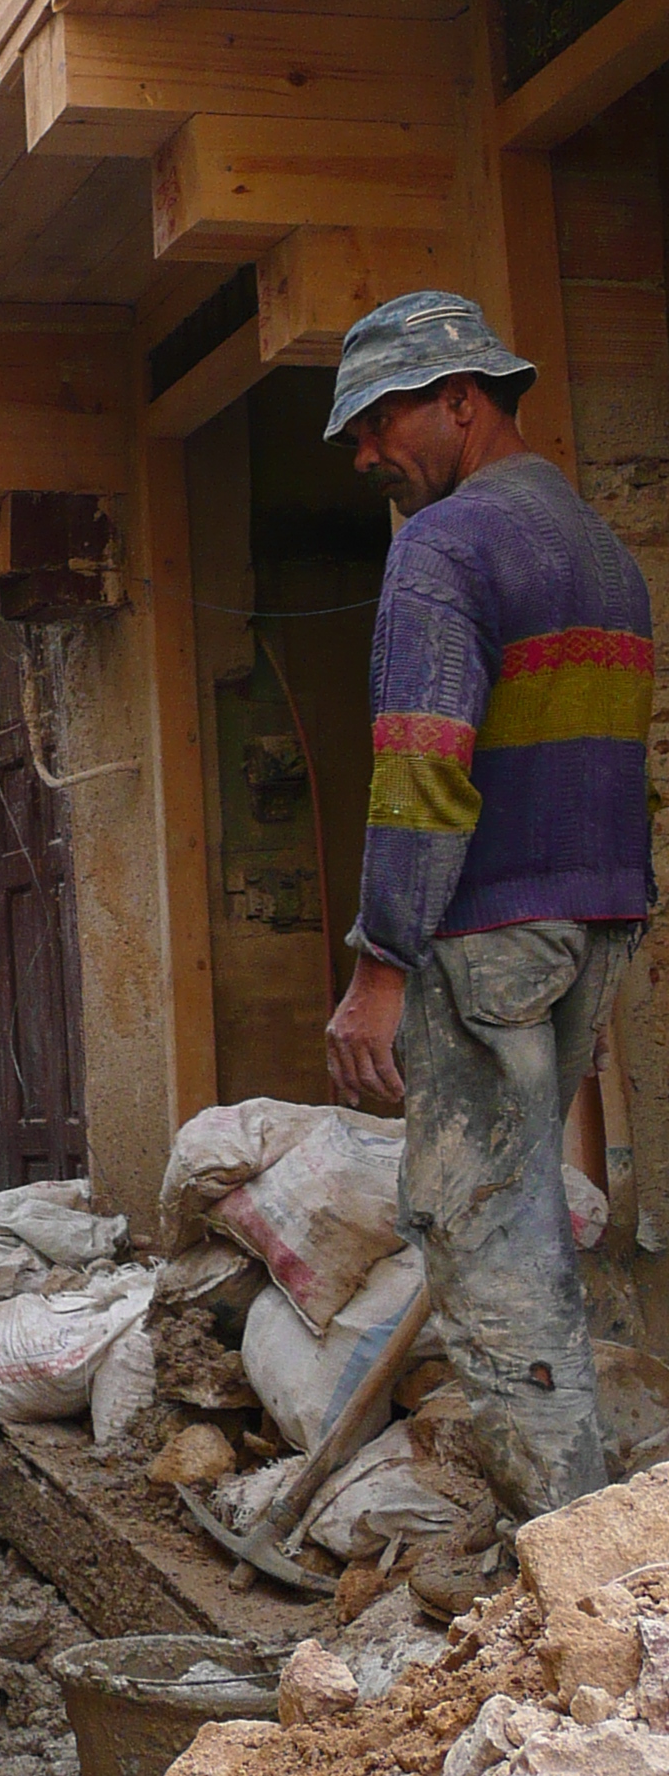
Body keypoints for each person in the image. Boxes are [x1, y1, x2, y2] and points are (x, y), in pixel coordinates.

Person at [321, 291, 654, 1522]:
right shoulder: (599, 550)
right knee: (523, 1212)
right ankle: (600, 1522)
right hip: (594, 923)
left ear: (461, 400)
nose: (364, 455)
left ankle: (565, 1539)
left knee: (480, 1225)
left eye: (377, 421)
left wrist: (380, 962)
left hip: (482, 935)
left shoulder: (444, 546)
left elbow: (420, 763)